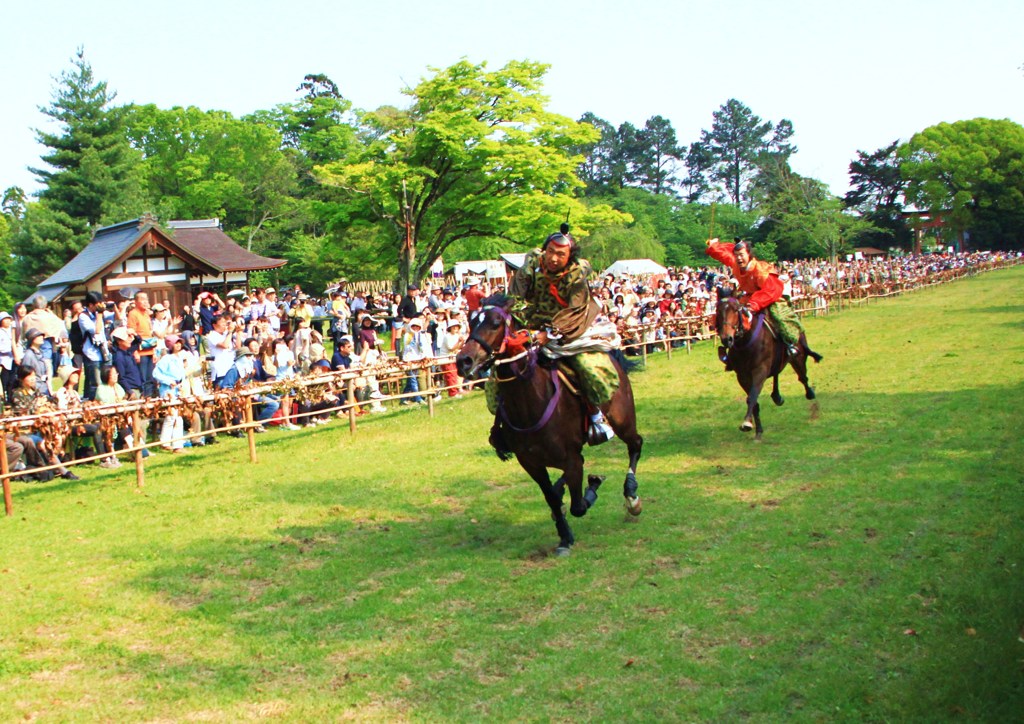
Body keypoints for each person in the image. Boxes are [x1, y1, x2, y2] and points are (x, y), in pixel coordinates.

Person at [506, 225, 619, 446]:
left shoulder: (576, 274)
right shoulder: (532, 265)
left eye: (560, 254)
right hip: (531, 324)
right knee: (502, 370)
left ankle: (597, 418)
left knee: (588, 369)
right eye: (550, 251)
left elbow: (574, 310)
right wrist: (523, 323)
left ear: (570, 256)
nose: (554, 258)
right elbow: (517, 296)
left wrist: (549, 333)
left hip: (570, 328)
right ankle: (503, 425)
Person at [705, 237, 809, 359]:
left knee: (780, 317)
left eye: (741, 255)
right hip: (748, 297)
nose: (739, 258)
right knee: (730, 315)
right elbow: (724, 256)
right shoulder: (736, 264)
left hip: (769, 297)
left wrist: (754, 304)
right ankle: (731, 349)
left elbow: (771, 290)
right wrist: (713, 246)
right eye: (736, 255)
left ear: (748, 254)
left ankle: (790, 345)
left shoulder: (760, 270)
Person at [78, 291, 109, 401]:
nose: (101, 305)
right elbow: (96, 330)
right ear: (90, 305)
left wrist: (119, 308)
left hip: (104, 352)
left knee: (106, 380)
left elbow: (116, 318)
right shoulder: (83, 316)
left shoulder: (99, 313)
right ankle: (92, 403)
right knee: (95, 383)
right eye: (98, 303)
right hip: (91, 353)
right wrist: (100, 314)